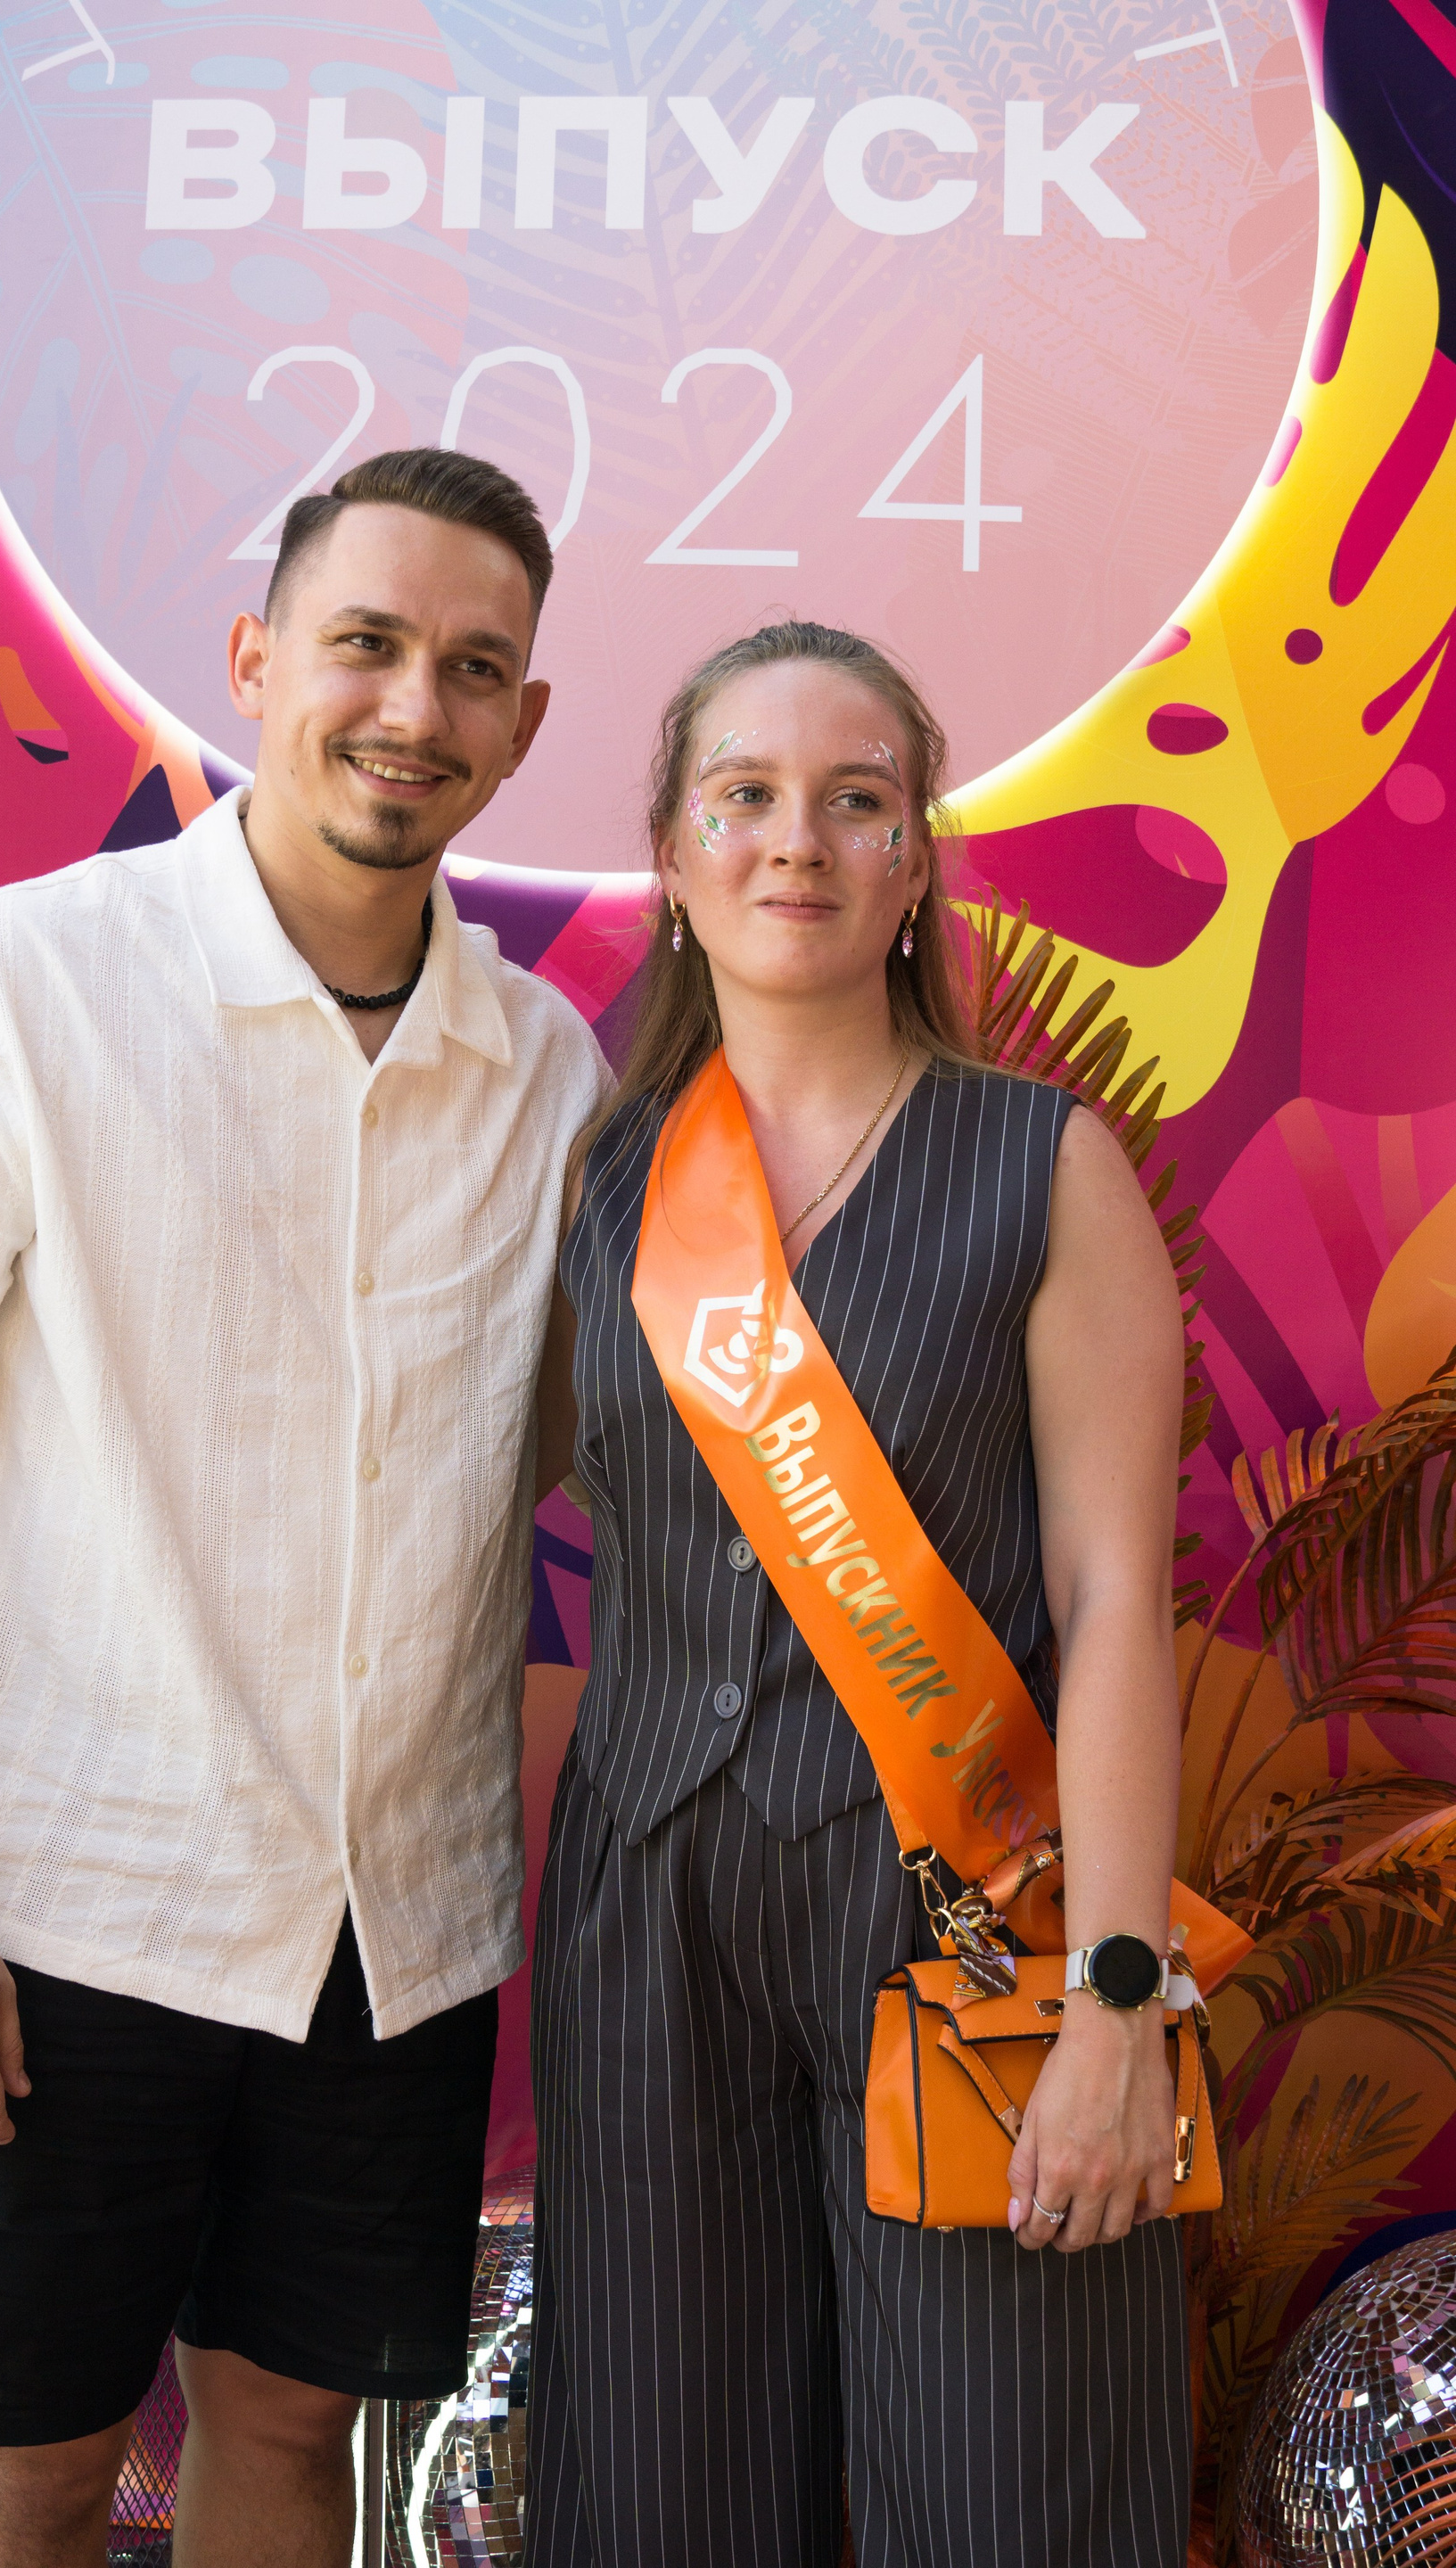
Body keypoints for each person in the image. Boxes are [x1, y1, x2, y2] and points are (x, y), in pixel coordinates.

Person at [0, 448, 611, 2568]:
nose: (413, 704)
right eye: (366, 643)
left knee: (298, 2445)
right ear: (252, 660)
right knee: (28, 2479)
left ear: (524, 725)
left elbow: (536, 1454)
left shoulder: (551, 1076)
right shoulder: (17, 987)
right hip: (58, 1908)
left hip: (391, 1932)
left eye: (472, 667)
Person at [528, 621, 1193, 2567]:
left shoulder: (1040, 1166)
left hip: (972, 1922)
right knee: (654, 2506)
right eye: (743, 795)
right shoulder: (597, 1185)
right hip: (647, 1921)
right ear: (671, 855)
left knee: (1009, 2501)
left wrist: (1118, 2003)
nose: (796, 841)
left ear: (916, 863)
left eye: (857, 800)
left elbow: (1116, 1597)